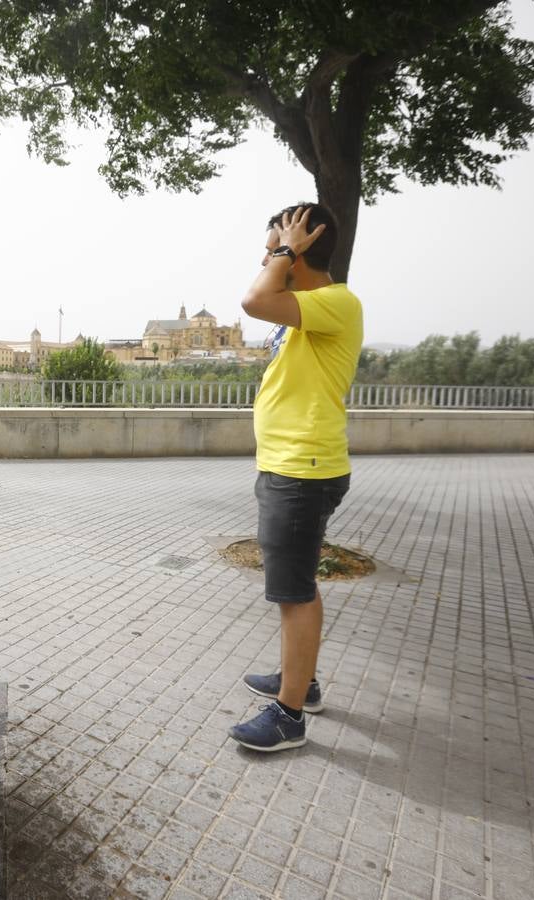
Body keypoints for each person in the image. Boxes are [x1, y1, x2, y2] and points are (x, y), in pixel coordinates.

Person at [228, 204, 363, 752]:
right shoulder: (310, 308)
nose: (267, 257)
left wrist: (285, 252)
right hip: (291, 464)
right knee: (297, 588)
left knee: (294, 594)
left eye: (276, 244)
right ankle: (300, 683)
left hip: (302, 469)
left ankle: (288, 717)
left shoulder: (336, 301)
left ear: (303, 245)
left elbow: (253, 299)